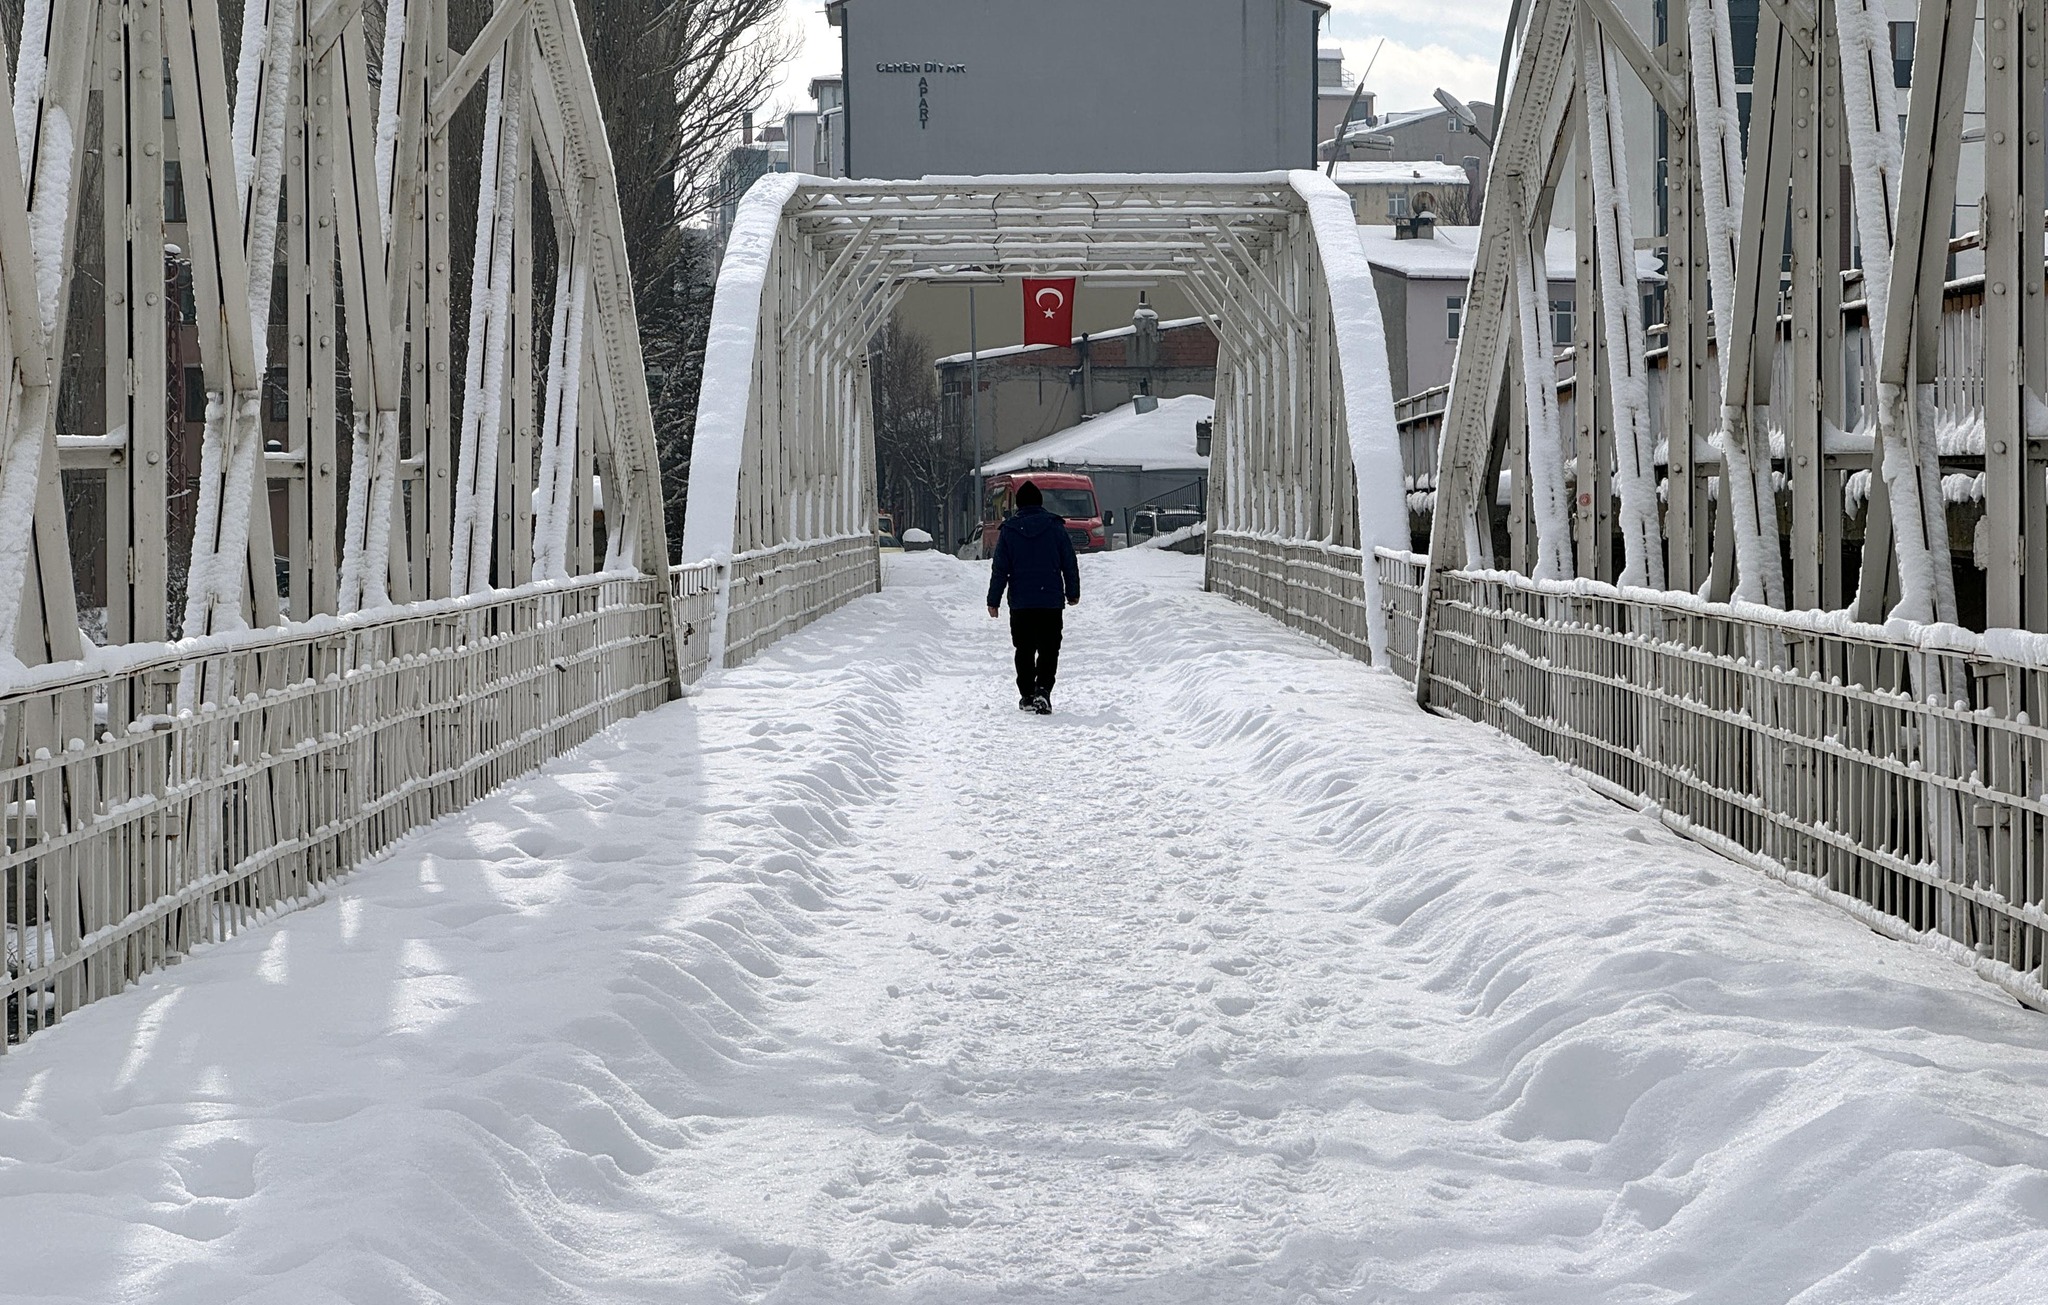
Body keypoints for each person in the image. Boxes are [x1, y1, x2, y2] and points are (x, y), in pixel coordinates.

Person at [986, 480, 1080, 714]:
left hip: (1021, 602)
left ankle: (1027, 694)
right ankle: (1044, 690)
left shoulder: (1009, 530)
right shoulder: (1055, 527)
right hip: (1050, 601)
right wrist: (1073, 592)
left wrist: (993, 600)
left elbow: (1000, 569)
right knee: (1049, 648)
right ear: (1040, 502)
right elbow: (1069, 562)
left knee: (1024, 648)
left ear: (1018, 504)